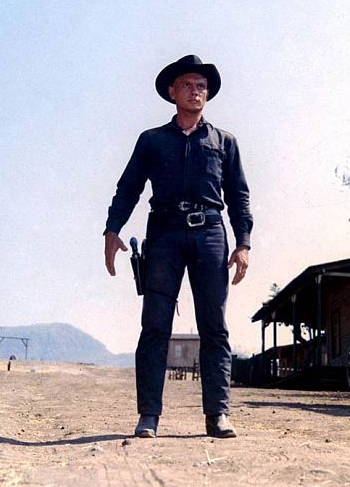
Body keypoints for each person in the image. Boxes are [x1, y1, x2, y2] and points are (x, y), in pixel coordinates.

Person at [103, 54, 253, 439]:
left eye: (201, 86)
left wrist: (243, 243)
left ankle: (218, 414)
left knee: (214, 326)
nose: (195, 91)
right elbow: (129, 188)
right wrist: (112, 229)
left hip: (210, 234)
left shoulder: (224, 142)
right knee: (155, 325)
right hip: (164, 234)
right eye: (187, 84)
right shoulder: (152, 140)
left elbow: (238, 196)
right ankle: (148, 416)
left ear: (208, 94)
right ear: (172, 92)